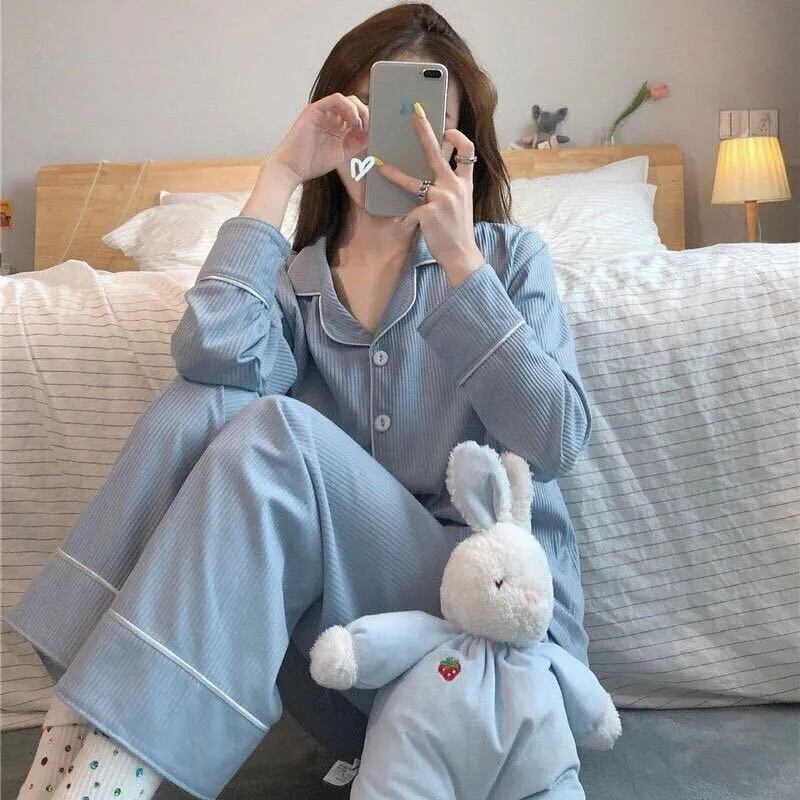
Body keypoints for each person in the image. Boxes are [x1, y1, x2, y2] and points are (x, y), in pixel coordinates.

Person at [5, 4, 593, 799]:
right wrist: (281, 172)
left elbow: (555, 440)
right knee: (198, 406)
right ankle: (75, 763)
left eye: (425, 122)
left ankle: (90, 781)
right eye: (375, 115)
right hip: (354, 683)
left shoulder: (509, 261)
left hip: (497, 665)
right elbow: (209, 352)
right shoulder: (295, 286)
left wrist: (460, 260)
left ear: (463, 146)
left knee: (276, 430)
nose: (399, 141)